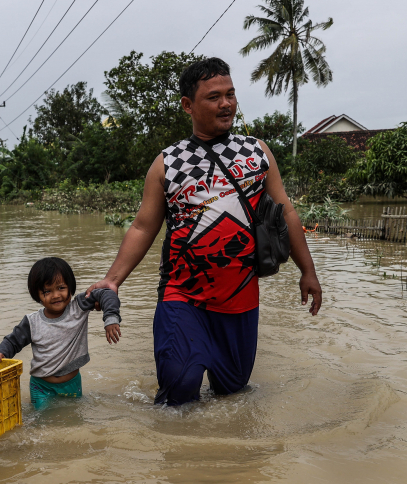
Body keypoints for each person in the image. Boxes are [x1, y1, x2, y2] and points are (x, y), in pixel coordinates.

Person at [87, 58, 322, 406]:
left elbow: (285, 210)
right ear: (188, 105)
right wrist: (112, 280)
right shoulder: (168, 162)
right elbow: (142, 226)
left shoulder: (256, 152)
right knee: (180, 385)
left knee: (232, 393)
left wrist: (308, 270)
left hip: (241, 299)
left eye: (230, 94)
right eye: (214, 97)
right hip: (183, 295)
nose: (225, 104)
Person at [0, 257, 122, 409]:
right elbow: (13, 341)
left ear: (70, 287)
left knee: (73, 421)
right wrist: (1, 353)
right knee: (42, 423)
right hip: (41, 387)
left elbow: (106, 293)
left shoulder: (78, 307)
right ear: (36, 295)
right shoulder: (32, 322)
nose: (56, 295)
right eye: (47, 291)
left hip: (72, 384)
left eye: (61, 288)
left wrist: (111, 318)